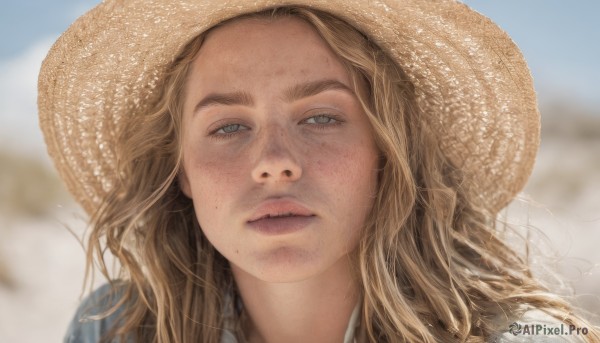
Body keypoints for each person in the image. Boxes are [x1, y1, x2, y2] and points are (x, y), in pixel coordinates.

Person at [38, 1, 599, 342]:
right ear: (180, 170)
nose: (274, 161)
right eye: (228, 127)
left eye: (322, 116)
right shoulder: (113, 330)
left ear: (387, 150)